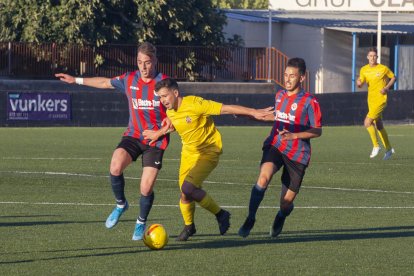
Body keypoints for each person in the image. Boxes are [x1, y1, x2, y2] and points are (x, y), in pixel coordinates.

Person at [55, 42, 171, 241]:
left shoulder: (165, 83)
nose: (143, 67)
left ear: (155, 62)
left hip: (156, 141)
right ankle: (120, 204)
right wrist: (76, 80)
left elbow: (177, 116)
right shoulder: (130, 79)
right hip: (134, 135)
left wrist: (159, 133)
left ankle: (141, 222)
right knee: (115, 166)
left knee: (145, 187)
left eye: (147, 62)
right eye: (139, 62)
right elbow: (104, 83)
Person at [143, 78, 271, 241]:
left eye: (165, 96)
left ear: (175, 93)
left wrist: (253, 111)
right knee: (185, 194)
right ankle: (190, 227)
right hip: (189, 154)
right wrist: (159, 133)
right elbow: (177, 124)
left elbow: (226, 108)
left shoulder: (196, 104)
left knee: (188, 187)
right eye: (160, 97)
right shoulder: (170, 111)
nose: (163, 100)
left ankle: (221, 214)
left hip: (208, 152)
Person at [238, 57, 322, 238]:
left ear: (301, 78)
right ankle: (250, 218)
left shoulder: (310, 101)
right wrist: (249, 116)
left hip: (298, 155)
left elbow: (317, 130)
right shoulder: (280, 96)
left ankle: (281, 215)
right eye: (285, 75)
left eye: (292, 76)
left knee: (285, 203)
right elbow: (276, 117)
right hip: (276, 145)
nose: (287, 79)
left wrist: (295, 136)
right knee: (263, 179)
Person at [357, 47, 396, 160]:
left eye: (374, 56)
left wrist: (387, 87)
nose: (372, 58)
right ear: (367, 57)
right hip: (371, 100)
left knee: (367, 122)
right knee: (379, 125)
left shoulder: (383, 68)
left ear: (377, 57)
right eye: (370, 56)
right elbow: (361, 81)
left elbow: (393, 77)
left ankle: (376, 146)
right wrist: (359, 83)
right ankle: (388, 149)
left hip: (381, 99)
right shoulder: (364, 69)